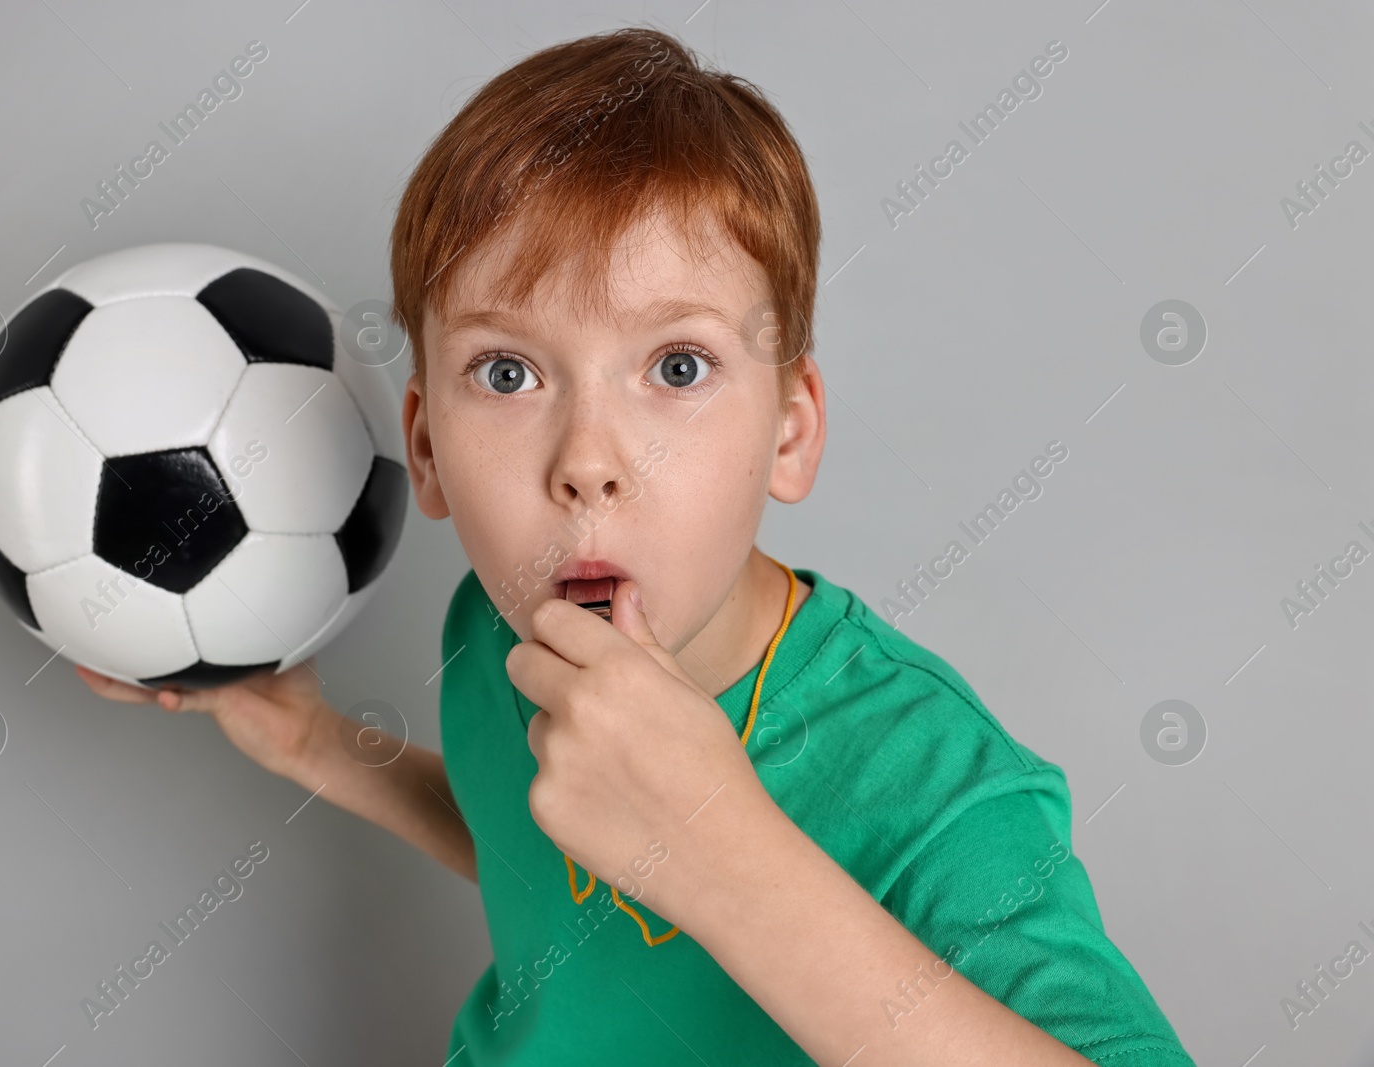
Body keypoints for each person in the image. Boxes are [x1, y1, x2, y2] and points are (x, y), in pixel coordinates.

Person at [80, 25, 1194, 1066]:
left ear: (790, 433)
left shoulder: (928, 780)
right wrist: (316, 743)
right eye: (507, 373)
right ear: (422, 448)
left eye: (676, 367)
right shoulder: (497, 623)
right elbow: (545, 860)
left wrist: (719, 853)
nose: (587, 460)